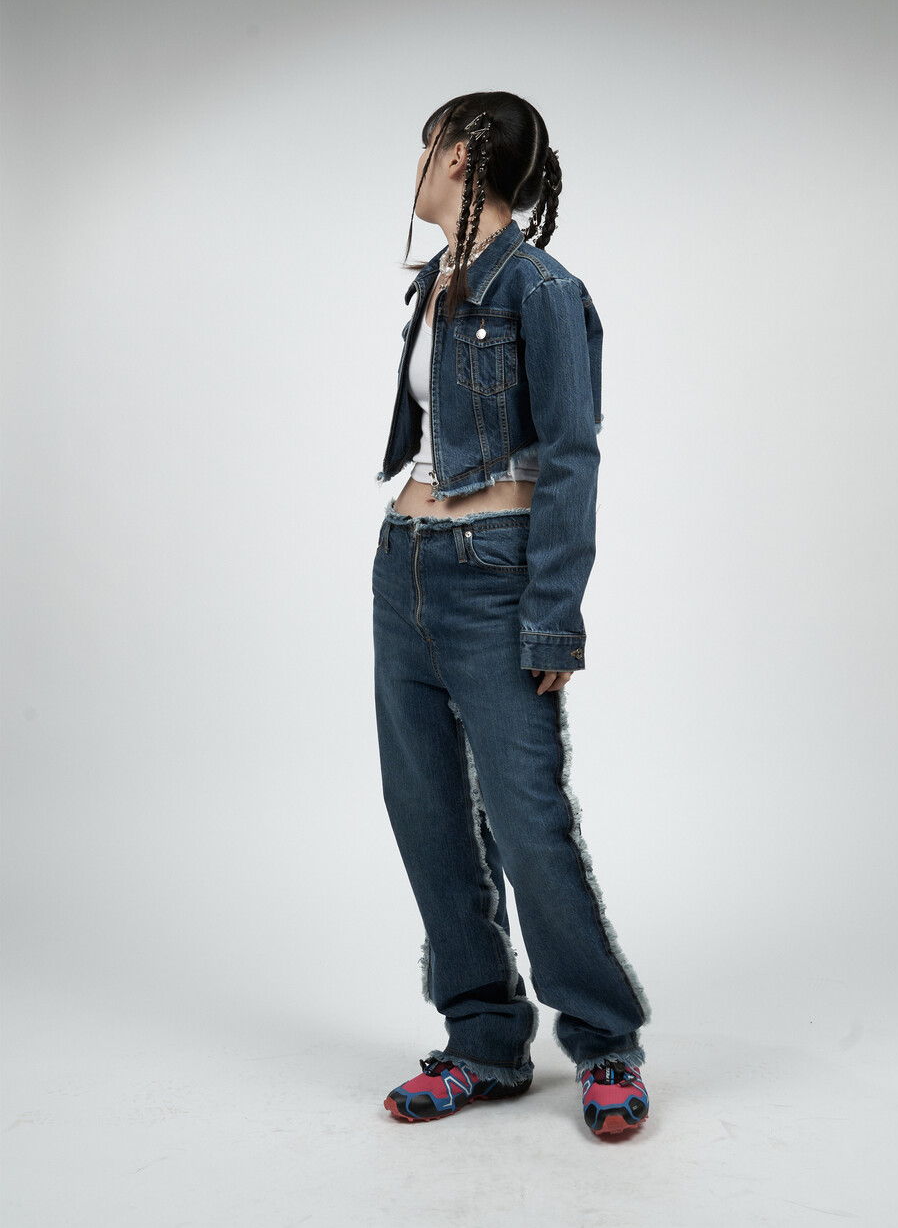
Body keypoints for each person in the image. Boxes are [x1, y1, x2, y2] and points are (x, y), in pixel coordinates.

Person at [372, 92, 651, 1137]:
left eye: (424, 147)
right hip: (402, 571)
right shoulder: (433, 285)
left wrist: (553, 617)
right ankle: (483, 1041)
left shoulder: (542, 289)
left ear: (457, 154)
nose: (414, 165)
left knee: (529, 820)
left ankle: (605, 1040)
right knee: (430, 815)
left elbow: (571, 455)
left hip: (495, 577)